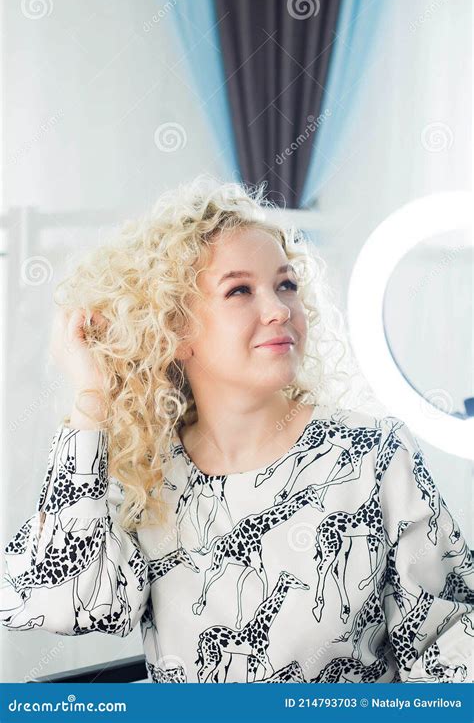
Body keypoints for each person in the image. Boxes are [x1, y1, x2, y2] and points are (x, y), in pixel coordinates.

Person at [1, 176, 472, 684]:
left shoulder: (371, 455)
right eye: (240, 290)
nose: (278, 310)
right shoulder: (144, 478)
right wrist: (90, 401)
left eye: (286, 284)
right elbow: (61, 604)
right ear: (176, 331)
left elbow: (449, 643)